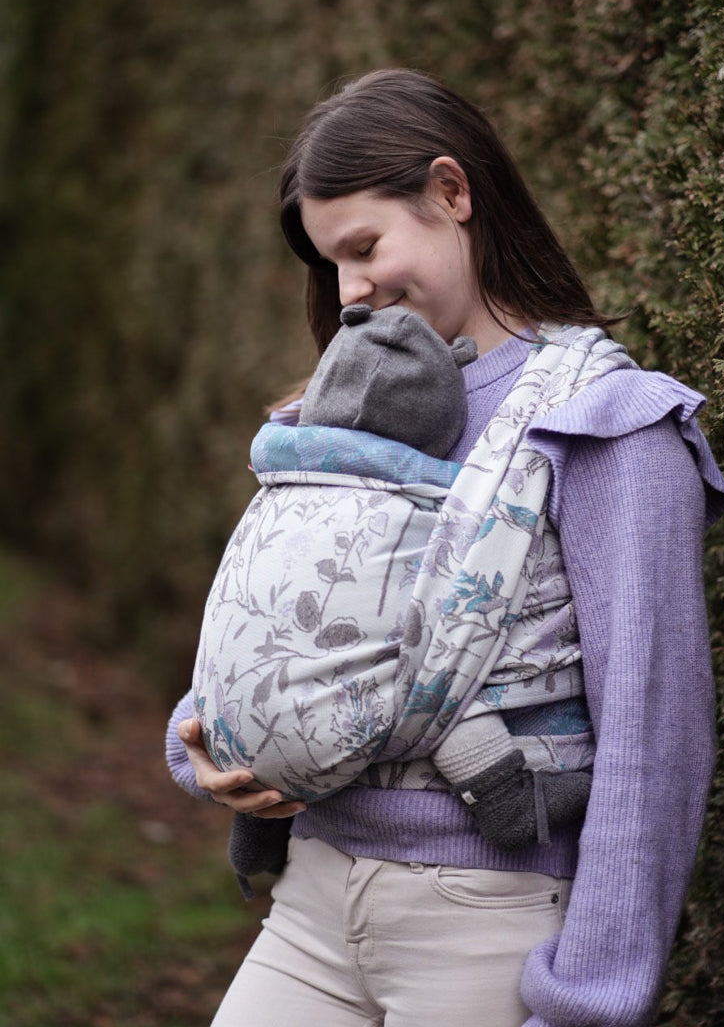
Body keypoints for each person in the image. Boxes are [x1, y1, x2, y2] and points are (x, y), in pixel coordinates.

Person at [166, 68, 724, 1027]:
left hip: (488, 924)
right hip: (315, 901)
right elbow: (283, 616)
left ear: (450, 190)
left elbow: (656, 740)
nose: (346, 291)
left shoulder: (605, 422)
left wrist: (575, 1022)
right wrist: (208, 733)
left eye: (362, 246)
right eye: (328, 260)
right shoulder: (337, 409)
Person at [193, 298, 597, 889]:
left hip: (228, 725)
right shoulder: (444, 492)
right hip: (344, 742)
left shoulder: (278, 470)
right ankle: (508, 800)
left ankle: (256, 839)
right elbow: (490, 515)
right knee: (436, 670)